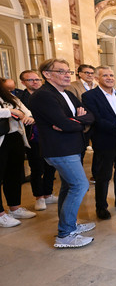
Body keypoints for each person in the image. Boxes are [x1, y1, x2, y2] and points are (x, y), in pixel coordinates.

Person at [28, 58, 95, 248]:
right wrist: (76, 121)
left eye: (69, 71)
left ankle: (69, 225)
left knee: (68, 187)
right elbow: (64, 123)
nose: (67, 75)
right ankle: (65, 235)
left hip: (72, 146)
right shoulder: (43, 96)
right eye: (61, 71)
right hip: (59, 149)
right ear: (47, 74)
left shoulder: (66, 93)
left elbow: (90, 115)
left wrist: (75, 121)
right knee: (80, 186)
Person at [82, 66, 116, 220]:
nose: (109, 78)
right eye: (105, 75)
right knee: (103, 175)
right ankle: (101, 206)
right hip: (104, 140)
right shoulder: (89, 96)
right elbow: (97, 120)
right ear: (97, 78)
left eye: (112, 75)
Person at [16, 70, 58, 211]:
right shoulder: (21, 98)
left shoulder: (49, 94)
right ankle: (39, 197)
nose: (35, 82)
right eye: (31, 80)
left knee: (50, 166)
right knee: (37, 168)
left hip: (50, 136)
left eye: (37, 79)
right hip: (33, 138)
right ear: (23, 82)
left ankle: (48, 193)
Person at [0, 78, 37, 228]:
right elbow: (13, 111)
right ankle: (1, 214)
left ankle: (14, 207)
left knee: (14, 175)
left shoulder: (11, 97)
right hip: (1, 139)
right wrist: (11, 111)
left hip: (15, 137)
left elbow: (26, 111)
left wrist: (28, 117)